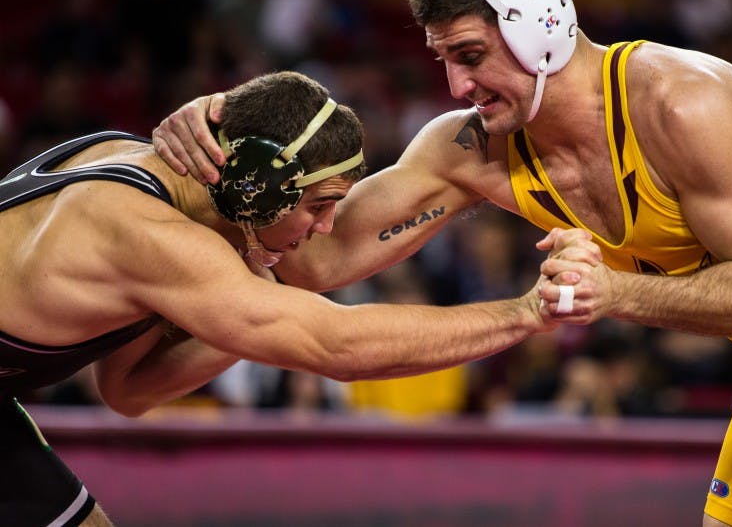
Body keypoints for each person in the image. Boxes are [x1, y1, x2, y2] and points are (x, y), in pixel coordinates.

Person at [153, 0, 732, 527]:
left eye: (470, 54)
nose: (454, 85)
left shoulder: (678, 101)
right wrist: (228, 145)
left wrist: (612, 291)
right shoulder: (472, 151)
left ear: (539, 21)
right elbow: (317, 262)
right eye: (444, 58)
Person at [0, 69, 596, 527]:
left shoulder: (125, 164)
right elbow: (335, 344)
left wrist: (265, 287)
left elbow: (129, 390)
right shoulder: (145, 236)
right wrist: (526, 312)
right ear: (253, 185)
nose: (328, 226)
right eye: (319, 204)